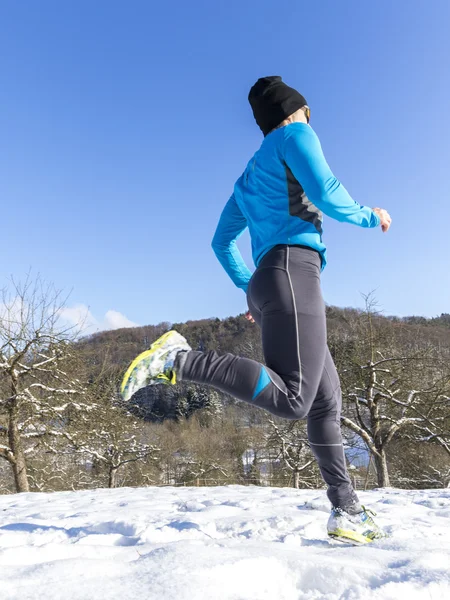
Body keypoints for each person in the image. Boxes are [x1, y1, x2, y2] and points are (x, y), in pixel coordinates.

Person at [121, 76, 392, 545]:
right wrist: (371, 214)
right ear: (296, 109)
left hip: (273, 279)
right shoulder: (296, 134)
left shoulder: (249, 175)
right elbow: (326, 192)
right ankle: (178, 360)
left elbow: (221, 241)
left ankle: (346, 509)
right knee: (295, 400)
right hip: (293, 272)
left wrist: (251, 287)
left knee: (326, 400)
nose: (312, 119)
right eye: (309, 112)